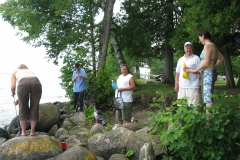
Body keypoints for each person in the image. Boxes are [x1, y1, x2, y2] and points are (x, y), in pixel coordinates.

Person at [185, 30, 224, 112]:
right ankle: (210, 120)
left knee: (207, 99)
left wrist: (195, 69)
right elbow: (221, 58)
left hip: (207, 74)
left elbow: (206, 63)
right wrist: (215, 65)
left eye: (200, 38)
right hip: (211, 72)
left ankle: (208, 122)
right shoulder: (213, 45)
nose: (200, 40)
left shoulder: (207, 46)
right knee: (209, 96)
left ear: (203, 36)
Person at [11, 64, 42, 136]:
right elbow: (30, 82)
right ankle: (32, 131)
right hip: (36, 82)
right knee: (35, 106)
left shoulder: (15, 72)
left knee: (23, 107)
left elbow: (13, 87)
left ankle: (24, 132)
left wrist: (13, 93)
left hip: (23, 84)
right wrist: (18, 99)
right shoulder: (29, 71)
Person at [175, 42, 201, 106]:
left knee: (194, 106)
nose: (188, 50)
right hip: (182, 86)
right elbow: (177, 73)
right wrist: (176, 84)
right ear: (184, 49)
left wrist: (189, 70)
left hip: (193, 86)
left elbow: (200, 71)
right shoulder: (180, 59)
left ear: (192, 49)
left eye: (190, 48)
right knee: (181, 106)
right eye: (187, 48)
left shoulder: (196, 58)